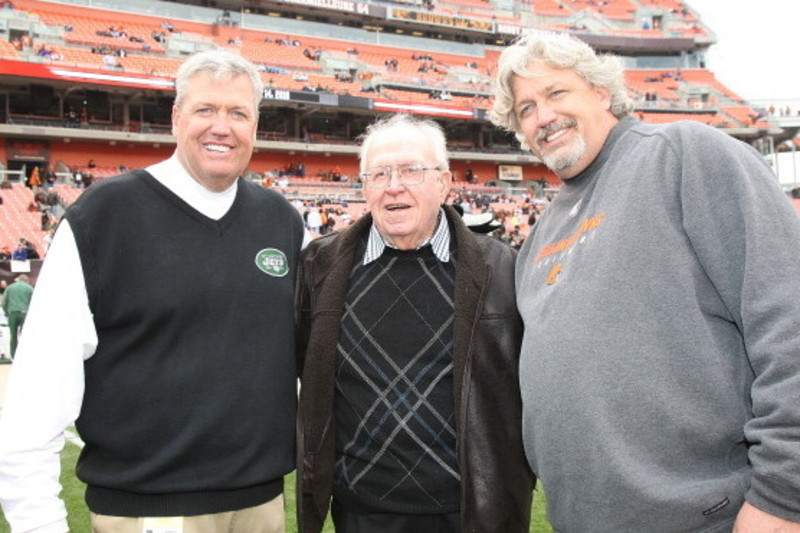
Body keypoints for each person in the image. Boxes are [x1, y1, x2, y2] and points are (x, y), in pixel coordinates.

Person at [490, 30, 800, 532]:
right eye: (525, 109)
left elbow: (789, 320)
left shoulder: (685, 156)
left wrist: (784, 499)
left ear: (601, 90)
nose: (542, 116)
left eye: (555, 93)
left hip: (711, 518)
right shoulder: (541, 234)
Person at [0, 49, 306, 533]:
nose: (221, 127)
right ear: (176, 118)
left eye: (238, 113)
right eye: (205, 109)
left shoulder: (282, 221)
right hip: (150, 510)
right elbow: (38, 393)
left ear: (256, 126)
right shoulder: (103, 217)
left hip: (263, 504)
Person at [295, 113, 533, 533]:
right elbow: (302, 366)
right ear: (364, 186)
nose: (393, 186)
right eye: (379, 173)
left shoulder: (500, 267)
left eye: (410, 171)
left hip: (469, 510)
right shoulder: (320, 265)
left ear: (443, 183)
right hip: (361, 511)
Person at [1, 273, 33, 359]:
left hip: (12, 314)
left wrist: (7, 313)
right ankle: (25, 355)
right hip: (25, 314)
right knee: (25, 336)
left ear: (18, 279)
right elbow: (33, 303)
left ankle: (14, 356)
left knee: (13, 336)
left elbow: (3, 303)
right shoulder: (29, 288)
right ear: (26, 281)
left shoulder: (10, 287)